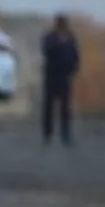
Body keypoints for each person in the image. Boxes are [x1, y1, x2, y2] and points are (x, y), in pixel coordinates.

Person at [40, 14, 79, 145]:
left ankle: (65, 134)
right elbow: (47, 51)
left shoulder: (70, 38)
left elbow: (75, 55)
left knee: (65, 108)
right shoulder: (49, 38)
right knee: (48, 107)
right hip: (52, 75)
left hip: (65, 76)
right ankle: (47, 134)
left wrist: (73, 70)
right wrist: (59, 43)